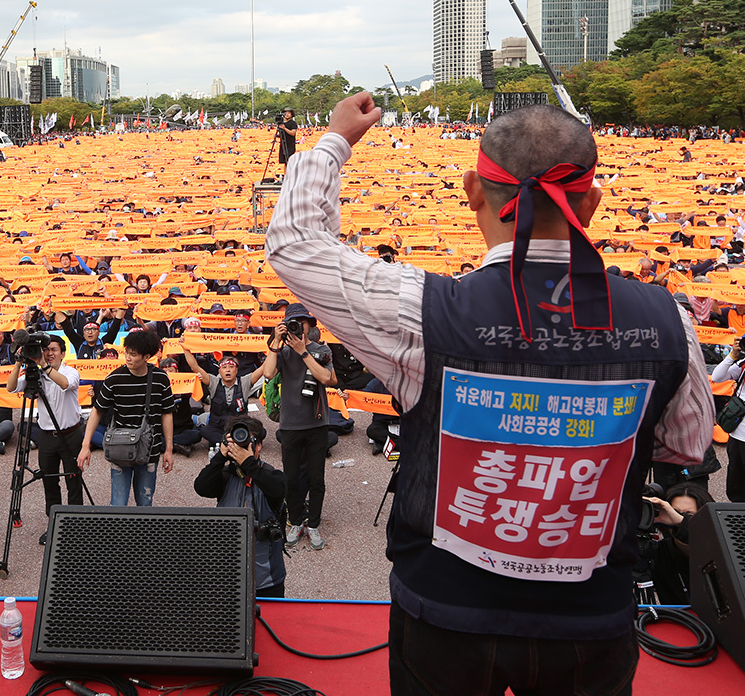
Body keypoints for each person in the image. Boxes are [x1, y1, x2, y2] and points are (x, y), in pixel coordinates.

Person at [265, 95, 714, 695]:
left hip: (446, 613)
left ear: (474, 190)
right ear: (592, 199)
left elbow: (296, 244)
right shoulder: (667, 321)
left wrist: (334, 142)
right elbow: (684, 448)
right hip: (590, 619)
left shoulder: (424, 314)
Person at [262, 303, 336, 551]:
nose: (297, 327)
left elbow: (326, 378)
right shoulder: (280, 352)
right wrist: (275, 341)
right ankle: (295, 520)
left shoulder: (321, 349)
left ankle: (312, 523)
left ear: (309, 326)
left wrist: (304, 352)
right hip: (290, 424)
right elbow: (269, 374)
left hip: (317, 423)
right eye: (292, 323)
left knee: (317, 478)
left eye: (302, 323)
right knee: (291, 478)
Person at [77, 329, 175, 506]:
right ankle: (117, 533)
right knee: (118, 502)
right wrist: (85, 446)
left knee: (145, 502)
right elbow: (97, 411)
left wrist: (169, 449)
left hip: (150, 449)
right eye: (126, 353)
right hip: (120, 447)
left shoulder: (161, 378)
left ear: (147, 357)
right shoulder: (115, 378)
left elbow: (166, 413)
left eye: (133, 354)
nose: (128, 358)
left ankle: (142, 532)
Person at [194, 415, 287, 597]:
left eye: (246, 442)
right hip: (226, 576)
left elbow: (278, 490)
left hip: (266, 578)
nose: (240, 447)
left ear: (258, 445)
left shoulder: (271, 476)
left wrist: (249, 464)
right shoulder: (225, 475)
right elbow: (201, 487)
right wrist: (221, 456)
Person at [7, 336, 82, 544]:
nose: (49, 353)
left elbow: (66, 384)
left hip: (71, 434)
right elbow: (11, 387)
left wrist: (43, 366)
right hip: (47, 436)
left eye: (54, 350)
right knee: (50, 483)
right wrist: (19, 362)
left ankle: (77, 527)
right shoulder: (35, 374)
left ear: (63, 353)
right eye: (46, 350)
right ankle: (55, 525)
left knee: (73, 481)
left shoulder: (70, 371)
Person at [181, 347, 265, 448]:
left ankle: (227, 443)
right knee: (205, 430)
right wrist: (185, 349)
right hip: (218, 428)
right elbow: (195, 367)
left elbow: (263, 369)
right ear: (220, 371)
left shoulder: (244, 382)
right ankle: (237, 443)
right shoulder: (213, 382)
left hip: (239, 428)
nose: (228, 370)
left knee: (261, 431)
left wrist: (274, 349)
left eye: (231, 367)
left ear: (236, 370)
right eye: (224, 367)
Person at [645, 482, 714, 605]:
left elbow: (706, 539)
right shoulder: (659, 553)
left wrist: (682, 523)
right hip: (679, 621)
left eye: (689, 515)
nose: (676, 518)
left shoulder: (720, 550)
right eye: (674, 511)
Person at [710, 340, 745, 502]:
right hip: (736, 434)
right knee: (735, 484)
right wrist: (733, 355)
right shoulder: (743, 365)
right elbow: (717, 377)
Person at [277, 108, 298, 174]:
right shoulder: (282, 123)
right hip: (283, 144)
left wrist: (284, 128)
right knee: (285, 163)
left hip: (290, 145)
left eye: (289, 113)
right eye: (285, 113)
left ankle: (290, 176)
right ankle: (286, 176)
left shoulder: (293, 123)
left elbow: (292, 133)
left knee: (289, 161)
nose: (287, 114)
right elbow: (282, 134)